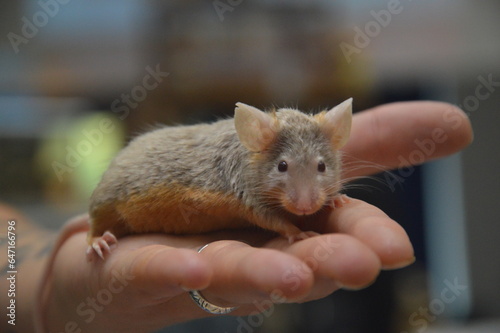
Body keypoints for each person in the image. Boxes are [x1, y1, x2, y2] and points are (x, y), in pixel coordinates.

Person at [0, 101, 473, 333]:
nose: (306, 198)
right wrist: (285, 226)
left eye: (322, 172)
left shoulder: (313, 159)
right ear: (258, 141)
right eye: (286, 170)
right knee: (113, 199)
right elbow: (248, 202)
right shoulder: (249, 155)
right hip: (137, 187)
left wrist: (35, 289)